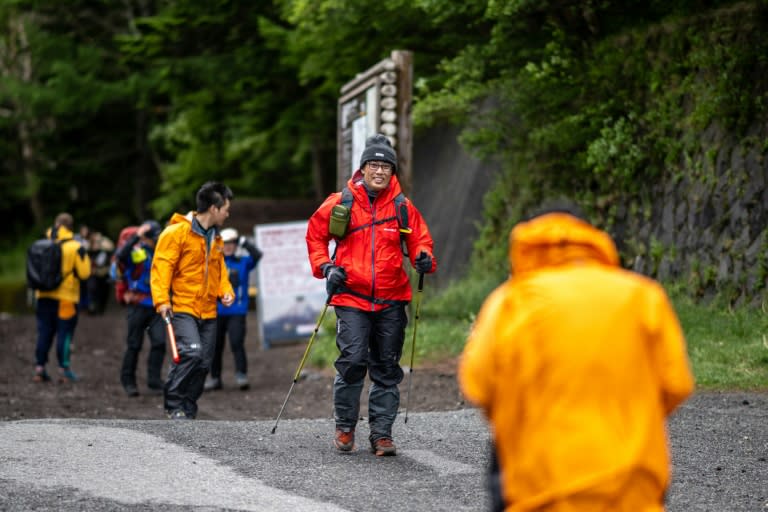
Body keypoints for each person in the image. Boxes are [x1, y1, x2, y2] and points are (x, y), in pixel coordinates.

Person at [458, 201, 695, 511]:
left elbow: (478, 384)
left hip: (541, 492)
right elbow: (676, 385)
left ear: (527, 241)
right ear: (591, 238)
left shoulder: (511, 301)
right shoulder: (643, 296)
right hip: (632, 488)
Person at [306, 134, 437, 456]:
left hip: (392, 298)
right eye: (374, 165)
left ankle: (382, 435)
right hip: (351, 296)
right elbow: (315, 237)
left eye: (385, 167)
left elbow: (421, 242)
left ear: (393, 172)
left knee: (387, 366)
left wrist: (423, 258)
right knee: (351, 361)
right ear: (363, 168)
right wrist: (326, 267)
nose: (379, 171)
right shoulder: (341, 202)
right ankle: (346, 426)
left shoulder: (403, 208)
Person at [151, 182, 235, 419]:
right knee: (192, 353)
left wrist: (226, 291)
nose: (228, 213)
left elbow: (221, 273)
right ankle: (173, 404)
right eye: (226, 208)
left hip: (208, 310)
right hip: (182, 307)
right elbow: (161, 268)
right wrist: (161, 301)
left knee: (204, 363)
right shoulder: (175, 233)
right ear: (213, 208)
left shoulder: (215, 239)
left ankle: (188, 407)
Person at [33, 213, 92, 383]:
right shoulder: (75, 246)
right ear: (71, 226)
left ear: (55, 225)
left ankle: (39, 368)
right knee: (64, 334)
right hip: (65, 298)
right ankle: (63, 369)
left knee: (44, 331)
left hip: (43, 296)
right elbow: (85, 273)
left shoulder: (42, 243)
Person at [205, 227, 262, 392]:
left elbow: (257, 256)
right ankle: (215, 378)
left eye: (232, 243)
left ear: (236, 244)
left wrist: (245, 242)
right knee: (215, 346)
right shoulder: (215, 262)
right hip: (216, 311)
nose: (229, 246)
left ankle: (241, 375)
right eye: (226, 243)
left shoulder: (243, 262)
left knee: (237, 343)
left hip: (237, 312)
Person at [115, 220, 165, 397]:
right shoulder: (136, 251)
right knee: (134, 345)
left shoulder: (161, 252)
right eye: (155, 237)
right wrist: (136, 236)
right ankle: (128, 382)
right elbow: (120, 257)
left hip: (157, 305)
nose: (158, 239)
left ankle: (154, 380)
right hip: (138, 305)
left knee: (159, 342)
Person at [85, 231, 114, 315]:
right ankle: (93, 307)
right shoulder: (88, 243)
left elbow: (110, 250)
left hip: (104, 272)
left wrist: (100, 246)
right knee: (92, 289)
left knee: (103, 291)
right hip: (93, 272)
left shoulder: (105, 242)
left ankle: (101, 308)